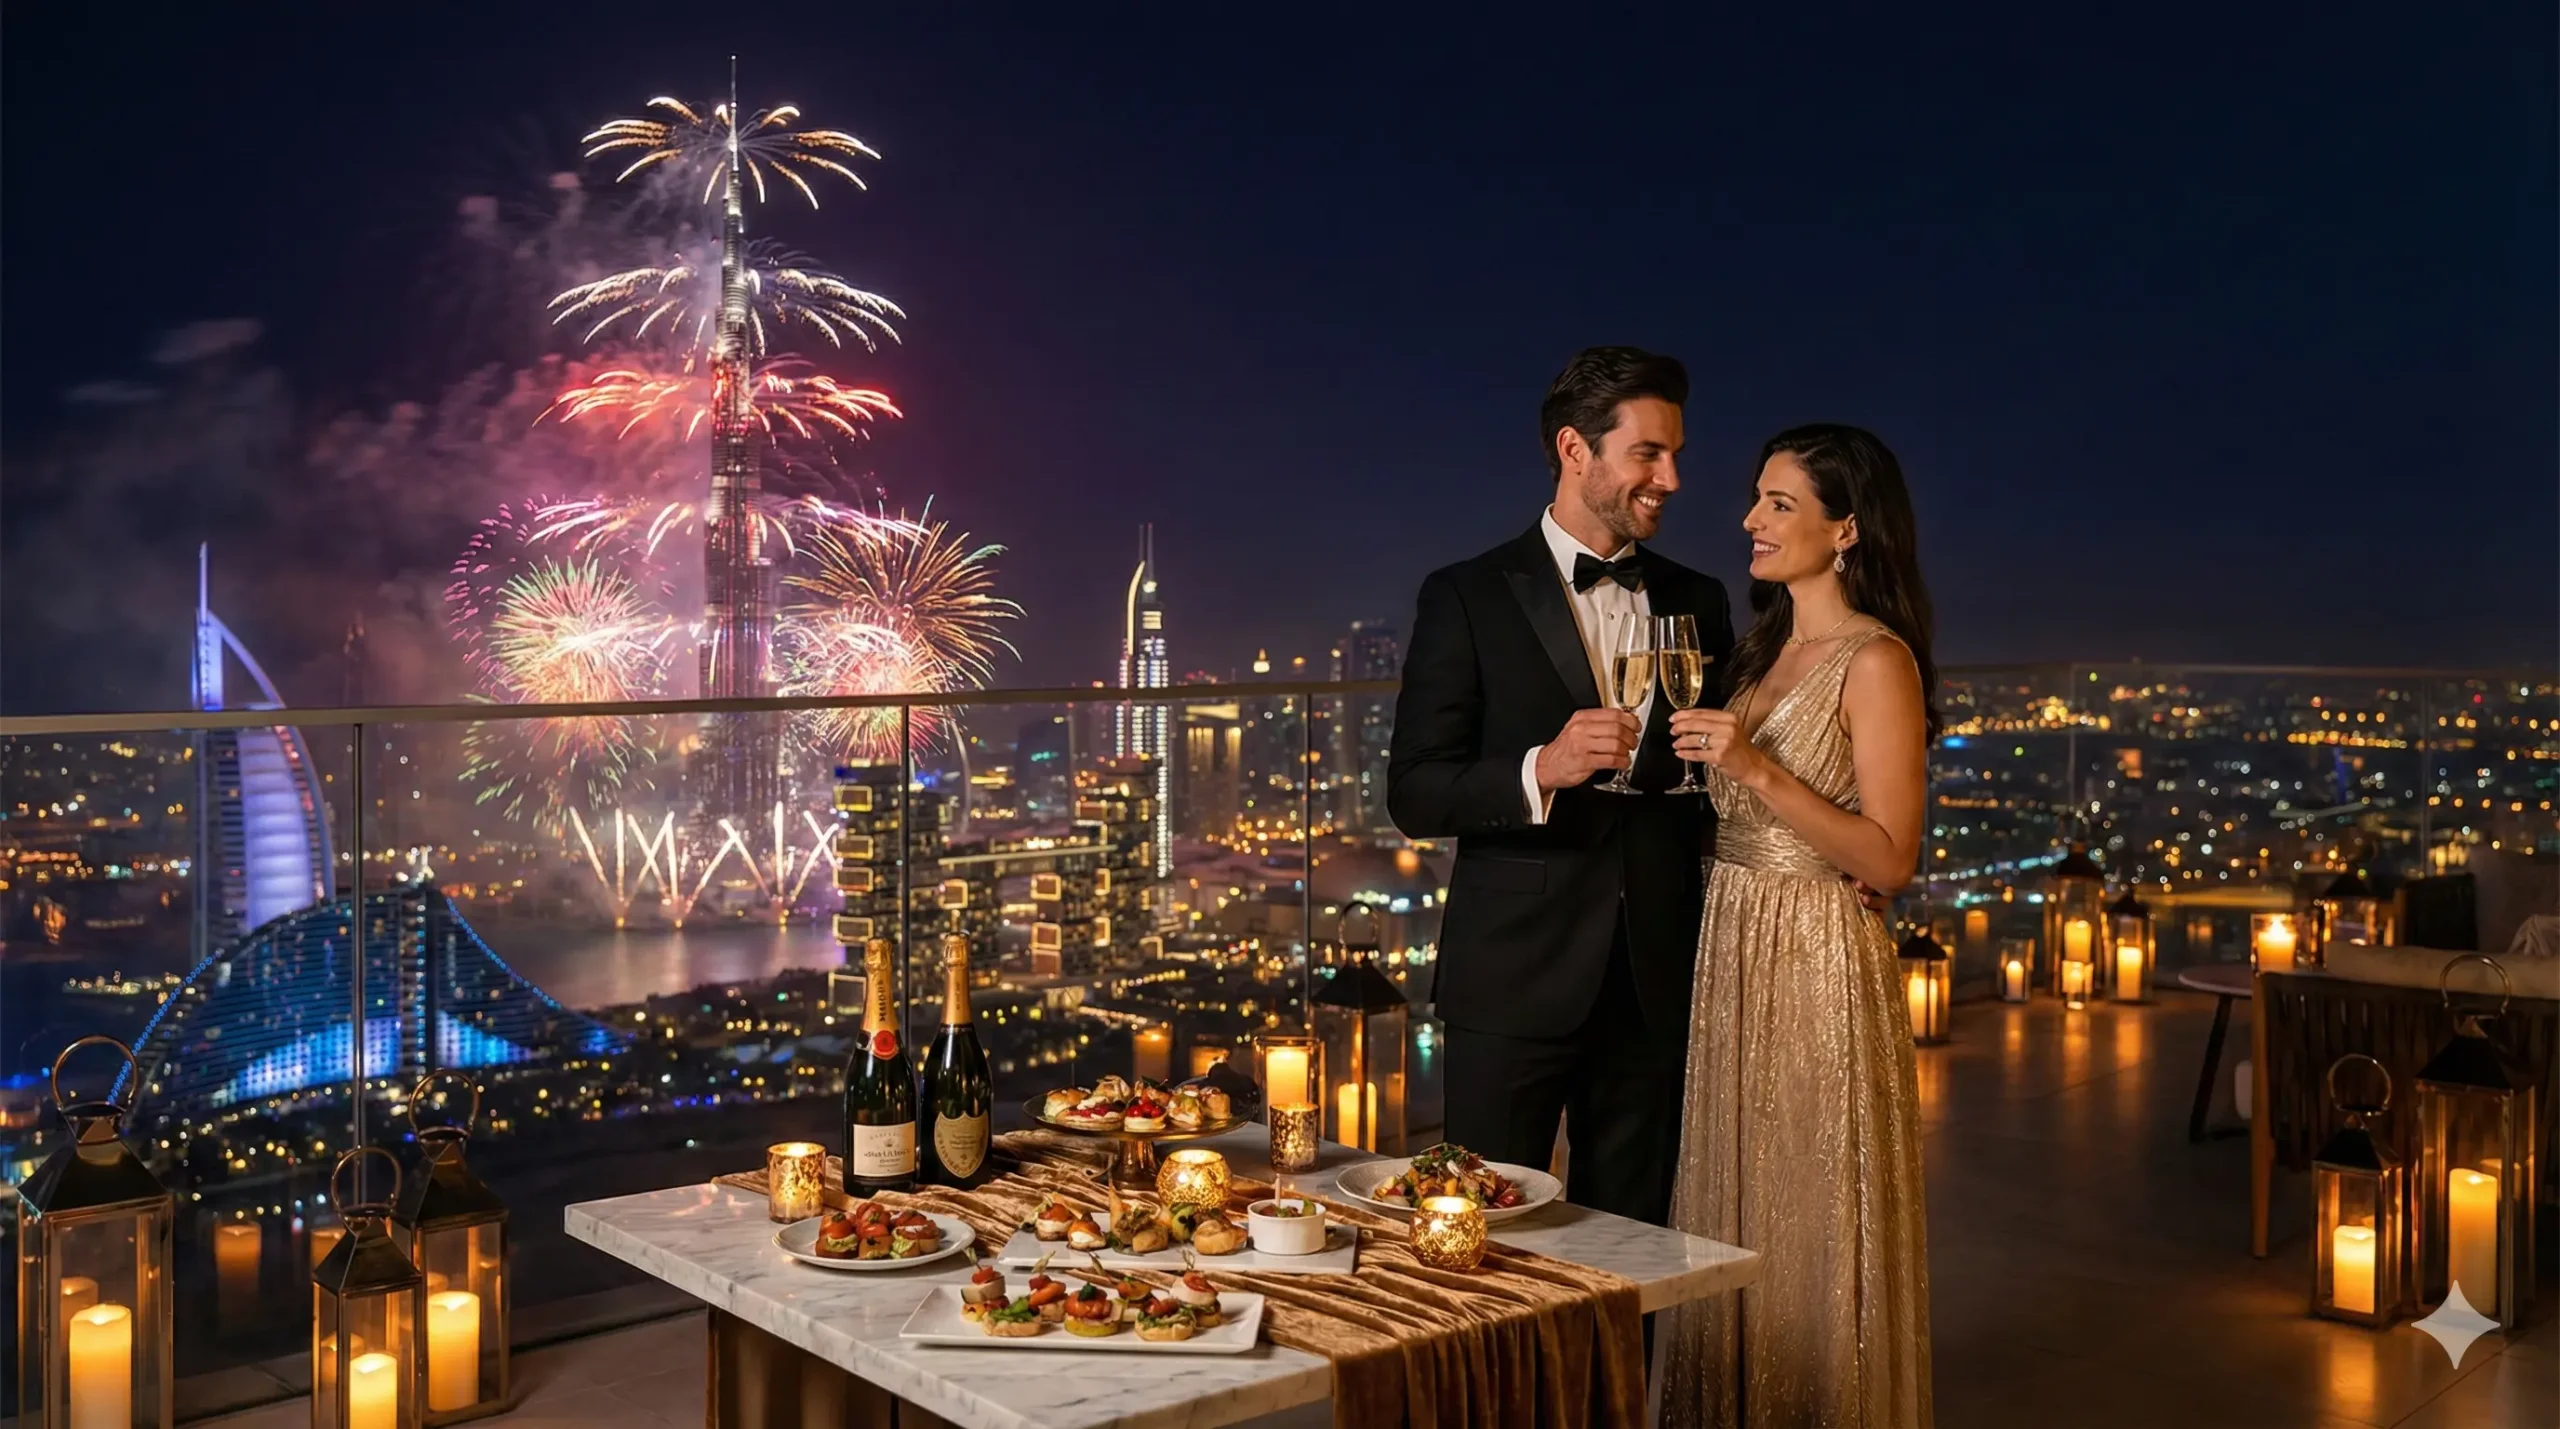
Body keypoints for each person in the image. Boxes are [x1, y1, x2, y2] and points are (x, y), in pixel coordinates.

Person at [1385, 346, 1734, 1226]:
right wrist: (1543, 767)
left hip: (1655, 978)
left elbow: (1723, 774)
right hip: (1512, 980)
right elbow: (1415, 791)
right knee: (1482, 1241)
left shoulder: (1703, 597)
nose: (1674, 478)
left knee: (1635, 1243)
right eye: (1650, 453)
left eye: (1677, 454)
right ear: (1576, 449)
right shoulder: (1464, 595)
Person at [1660, 424, 1938, 1428]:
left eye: (1779, 502)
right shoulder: (1759, 650)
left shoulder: (1876, 661)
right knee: (1732, 1200)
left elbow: (1888, 859)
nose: (1750, 518)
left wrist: (1754, 769)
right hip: (1731, 943)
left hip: (1818, 958)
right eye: (1756, 497)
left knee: (1810, 1203)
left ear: (1847, 527)